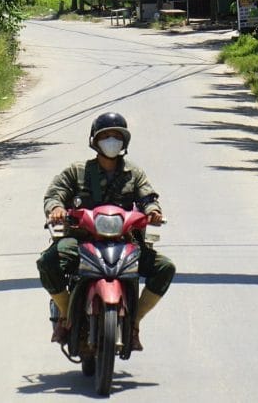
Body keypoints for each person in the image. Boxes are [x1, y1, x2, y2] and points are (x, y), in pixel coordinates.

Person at [37, 111, 175, 351]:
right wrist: (57, 208)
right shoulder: (76, 171)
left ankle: (134, 323)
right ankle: (65, 313)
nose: (111, 141)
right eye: (106, 136)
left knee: (165, 267)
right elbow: (55, 193)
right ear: (95, 140)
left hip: (126, 242)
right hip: (81, 241)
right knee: (48, 261)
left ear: (124, 142)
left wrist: (153, 211)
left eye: (116, 136)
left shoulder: (134, 174)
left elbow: (148, 197)